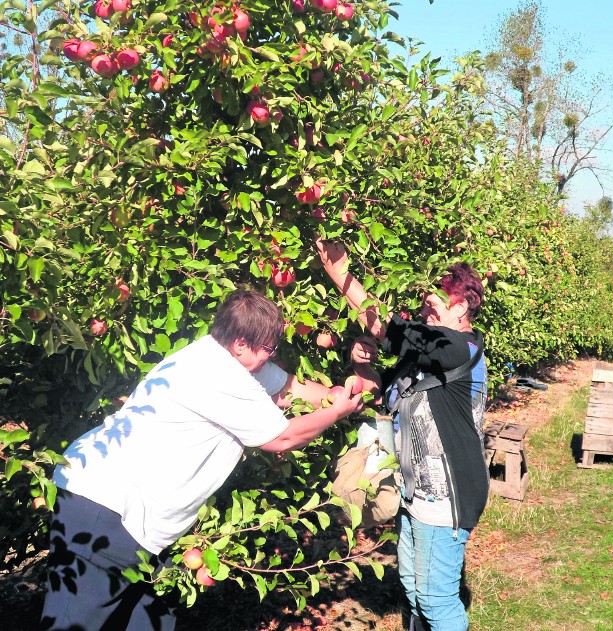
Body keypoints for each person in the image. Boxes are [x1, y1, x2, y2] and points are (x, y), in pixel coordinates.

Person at [40, 289, 364, 631]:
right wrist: (336, 413)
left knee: (149, 621)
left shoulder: (229, 357)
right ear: (240, 344)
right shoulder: (216, 372)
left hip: (138, 519)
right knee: (74, 623)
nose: (273, 355)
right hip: (105, 508)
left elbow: (287, 387)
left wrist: (331, 395)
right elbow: (282, 438)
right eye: (269, 348)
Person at [316, 237, 488, 631]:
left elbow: (390, 329)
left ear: (461, 308)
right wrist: (361, 359)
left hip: (447, 494)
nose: (426, 313)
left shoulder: (459, 347)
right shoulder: (427, 353)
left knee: (436, 598)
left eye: (435, 306)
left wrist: (342, 276)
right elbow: (381, 390)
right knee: (413, 588)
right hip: (416, 490)